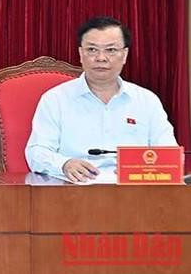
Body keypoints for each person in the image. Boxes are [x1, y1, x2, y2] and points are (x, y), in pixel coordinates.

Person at [25, 16, 178, 182]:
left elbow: (168, 153)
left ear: (124, 55)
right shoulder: (55, 99)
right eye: (92, 50)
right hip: (72, 191)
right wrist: (64, 164)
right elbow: (37, 152)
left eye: (111, 50)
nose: (101, 58)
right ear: (80, 54)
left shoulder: (147, 101)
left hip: (134, 192)